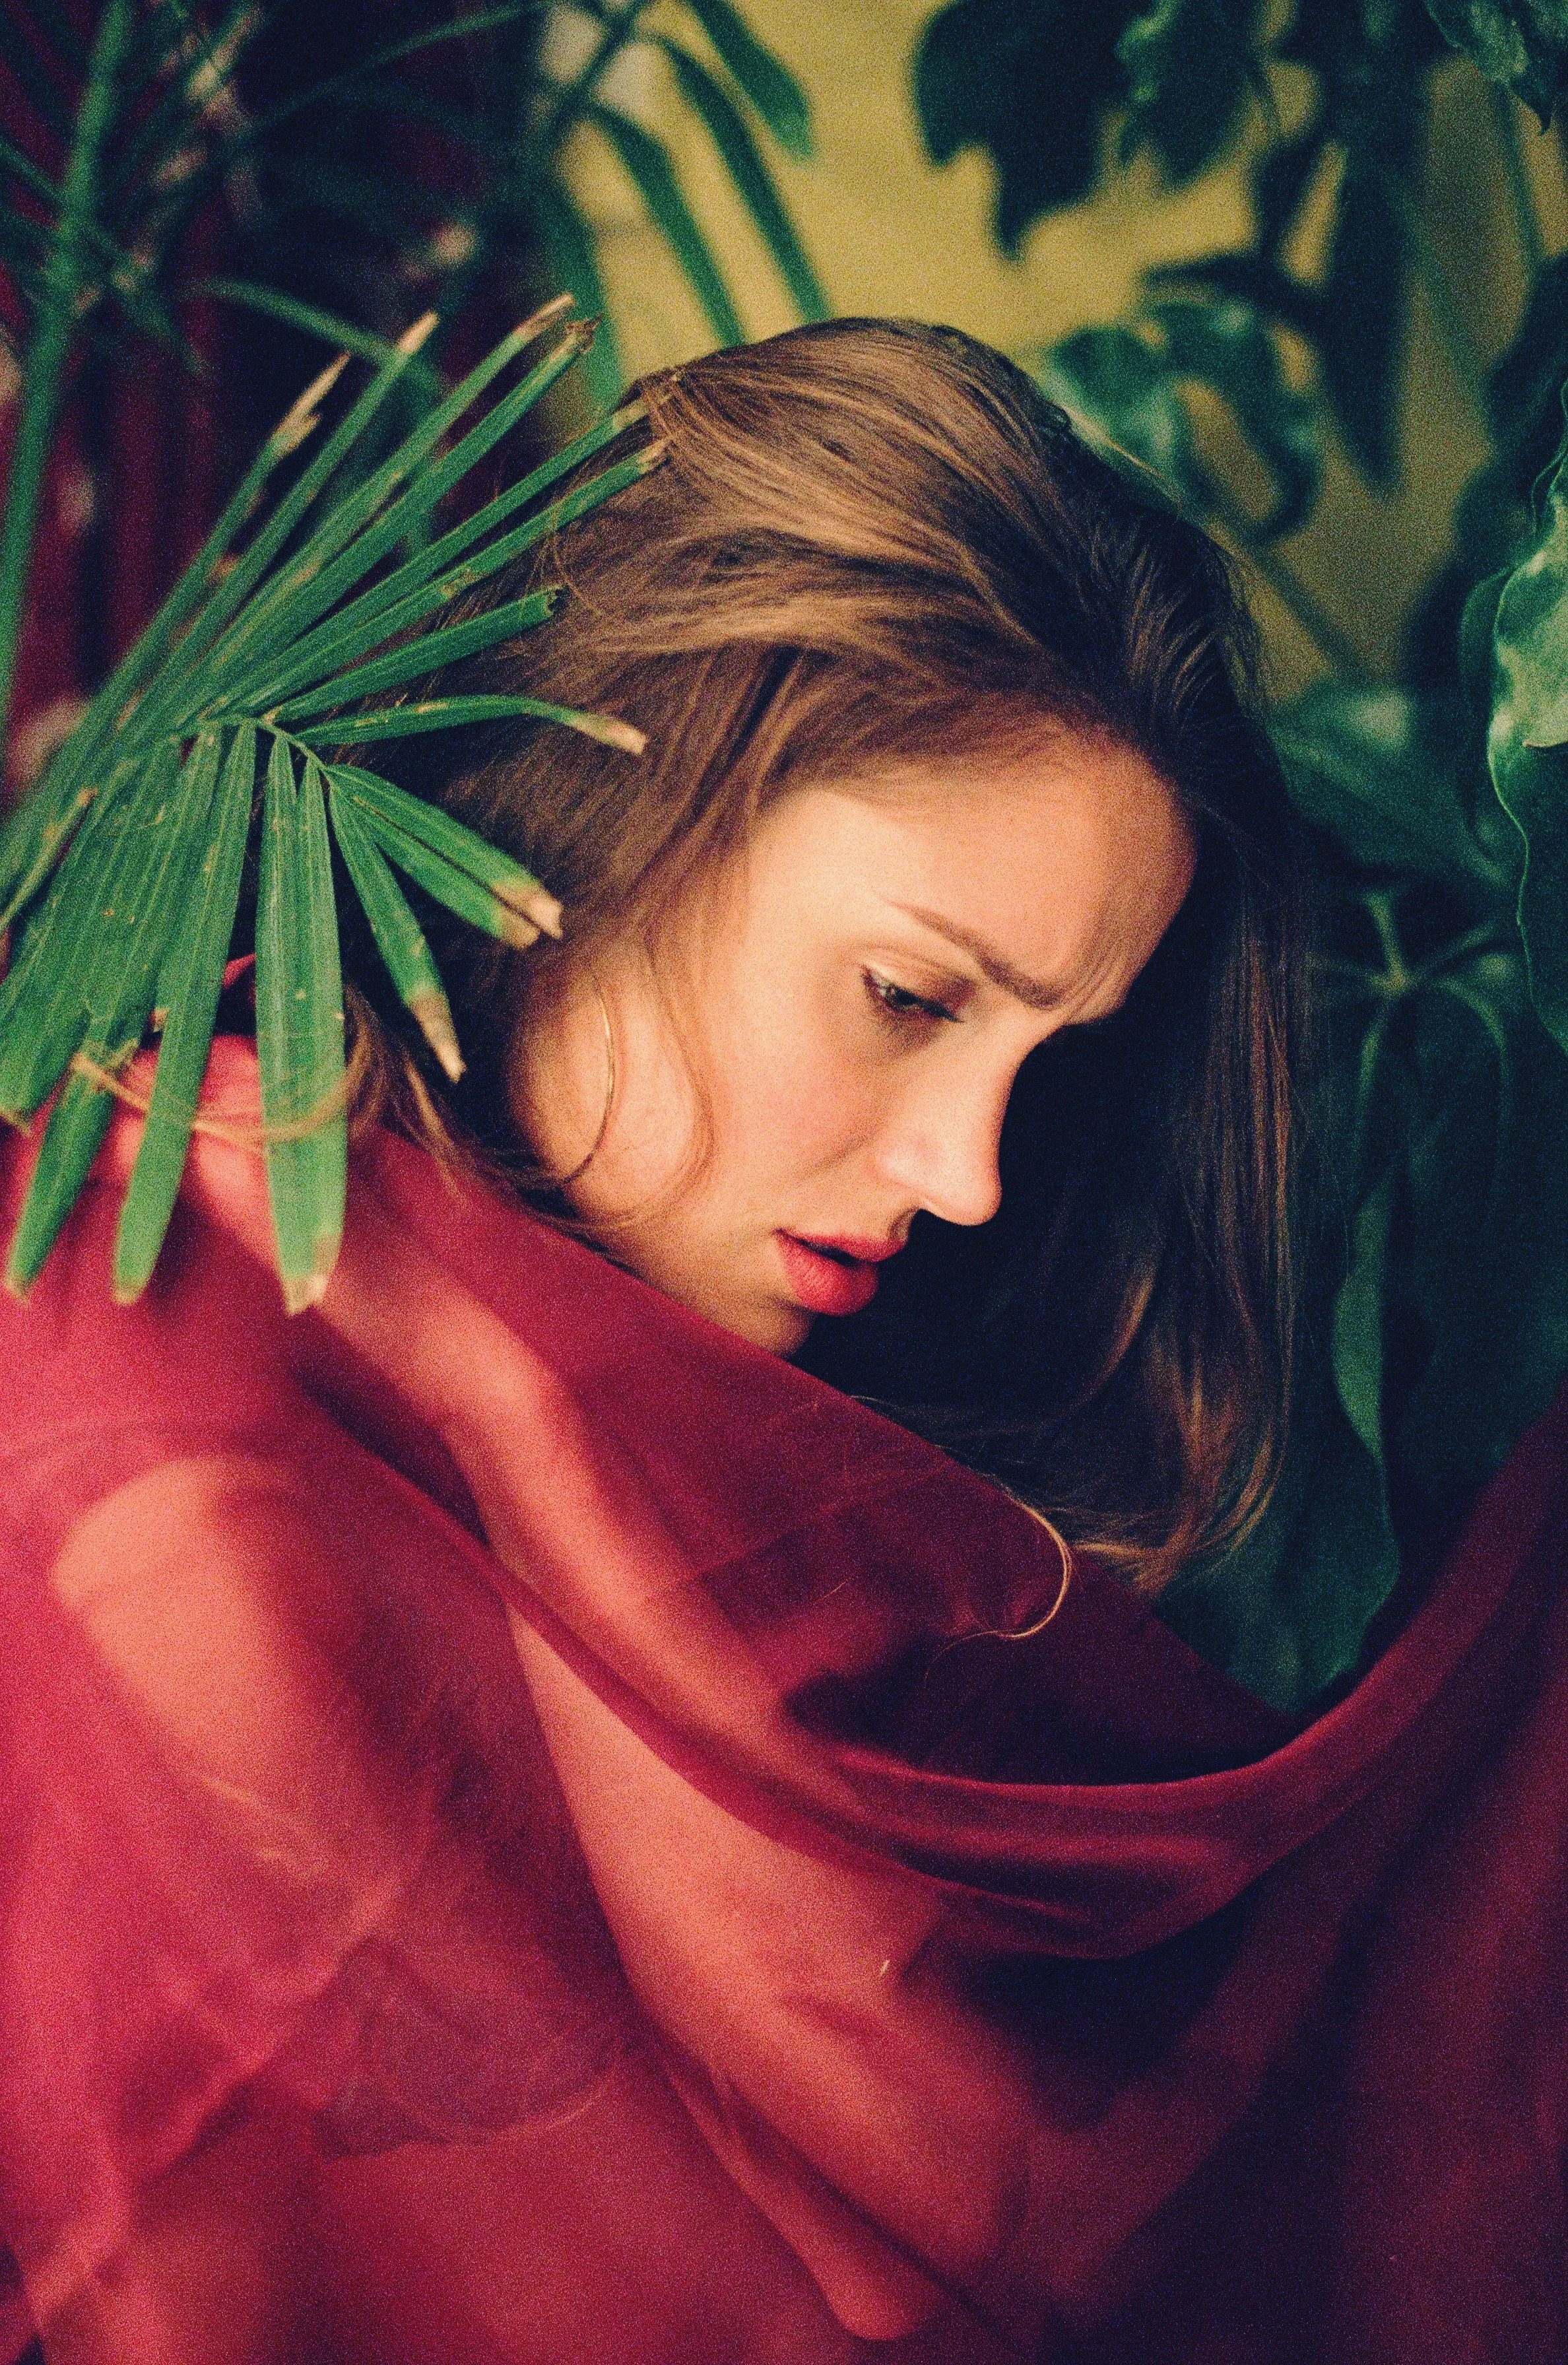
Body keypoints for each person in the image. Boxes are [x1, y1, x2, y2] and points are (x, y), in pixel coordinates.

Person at [1, 320, 1564, 2365]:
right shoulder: (139, 1371)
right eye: (913, 997)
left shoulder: (818, 1493)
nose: (975, 1173)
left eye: (1048, 1058)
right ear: (606, 812)